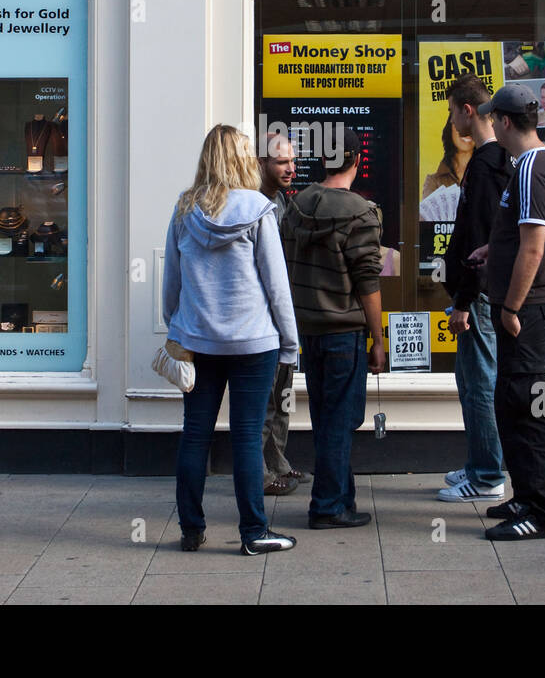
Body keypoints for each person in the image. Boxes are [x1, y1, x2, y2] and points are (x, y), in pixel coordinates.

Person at [163, 124, 300, 556]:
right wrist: (290, 344)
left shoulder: (185, 209)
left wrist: (178, 326)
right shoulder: (259, 209)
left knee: (194, 436)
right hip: (252, 344)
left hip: (198, 341)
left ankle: (191, 530)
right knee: (245, 437)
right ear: (243, 159)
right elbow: (276, 286)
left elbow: (171, 283)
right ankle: (253, 534)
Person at [471, 83, 545, 541]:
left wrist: (510, 307)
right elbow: (539, 239)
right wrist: (495, 249)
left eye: (493, 119)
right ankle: (525, 496)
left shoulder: (531, 170)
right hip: (527, 306)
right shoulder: (540, 164)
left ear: (506, 123)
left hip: (525, 311)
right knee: (513, 404)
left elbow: (534, 249)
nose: (489, 124)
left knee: (528, 409)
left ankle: (541, 512)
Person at [281, 128, 386, 529]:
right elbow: (368, 283)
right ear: (356, 160)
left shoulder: (296, 206)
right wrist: (378, 340)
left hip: (308, 329)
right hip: (344, 332)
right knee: (341, 420)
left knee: (328, 418)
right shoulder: (361, 212)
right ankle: (327, 507)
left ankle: (343, 498)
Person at [437, 74, 513, 502]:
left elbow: (479, 240)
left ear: (468, 111)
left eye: (451, 111)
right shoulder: (496, 161)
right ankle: (478, 464)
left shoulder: (485, 167)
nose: (451, 121)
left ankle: (486, 476)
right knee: (472, 382)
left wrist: (464, 299)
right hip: (481, 293)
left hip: (478, 296)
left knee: (479, 384)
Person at [257, 132, 310, 497]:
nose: (291, 168)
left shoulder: (282, 202)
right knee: (263, 399)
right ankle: (260, 474)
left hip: (285, 313)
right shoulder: (254, 206)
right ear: (262, 163)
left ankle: (279, 463)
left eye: (292, 161)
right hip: (263, 318)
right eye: (282, 162)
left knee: (282, 394)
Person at [420, 114, 475, 200]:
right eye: (460, 122)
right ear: (450, 129)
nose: (466, 131)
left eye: (472, 124)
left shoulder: (489, 174)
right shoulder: (433, 182)